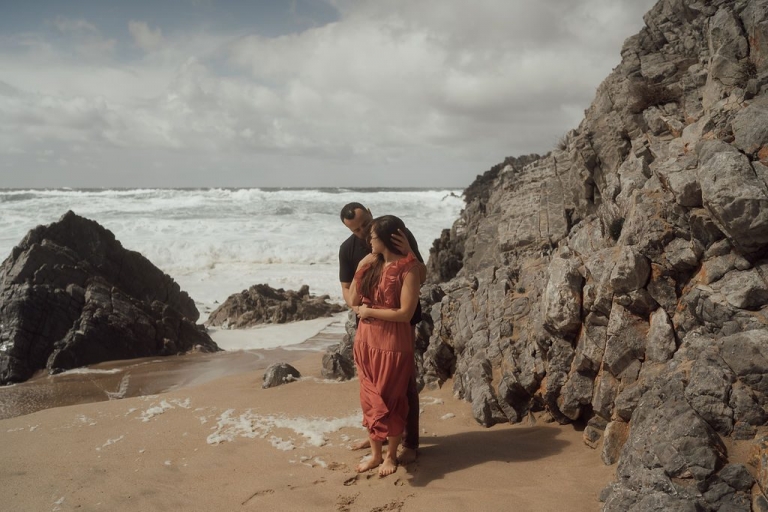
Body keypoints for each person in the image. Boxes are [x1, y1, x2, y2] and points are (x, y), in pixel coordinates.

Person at [338, 203, 425, 465]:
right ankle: (378, 434)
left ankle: (409, 443)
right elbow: (346, 288)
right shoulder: (349, 249)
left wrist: (410, 253)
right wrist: (358, 308)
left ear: (371, 215)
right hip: (367, 326)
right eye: (357, 229)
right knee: (371, 388)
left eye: (367, 225)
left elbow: (420, 277)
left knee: (402, 385)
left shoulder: (398, 234)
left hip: (398, 326)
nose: (364, 232)